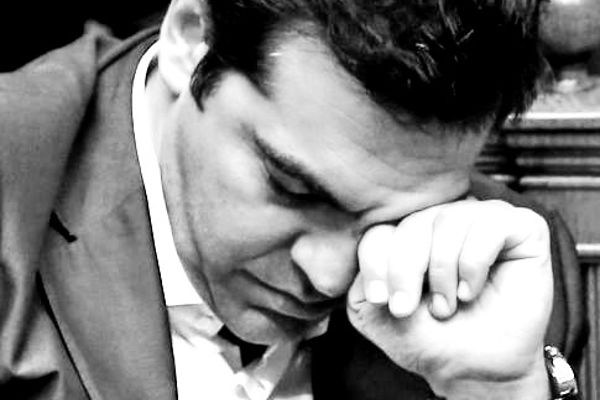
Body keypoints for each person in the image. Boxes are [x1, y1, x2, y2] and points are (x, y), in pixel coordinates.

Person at [0, 0, 587, 399]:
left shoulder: (501, 283)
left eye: (401, 217)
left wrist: (498, 391)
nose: (329, 277)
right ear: (191, 39)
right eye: (294, 188)